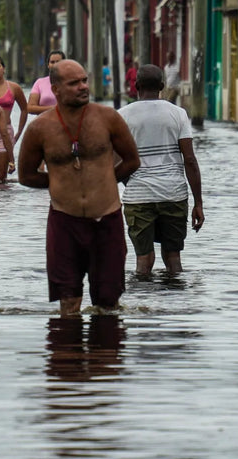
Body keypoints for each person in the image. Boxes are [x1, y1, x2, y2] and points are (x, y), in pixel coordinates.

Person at [17, 60, 140, 317]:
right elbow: (26, 176)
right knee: (69, 303)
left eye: (85, 80)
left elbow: (132, 160)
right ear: (56, 89)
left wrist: (106, 179)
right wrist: (59, 183)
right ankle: (68, 354)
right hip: (64, 222)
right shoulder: (40, 128)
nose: (83, 87)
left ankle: (103, 353)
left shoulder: (108, 118)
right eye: (74, 83)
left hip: (107, 219)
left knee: (108, 304)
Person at [119, 64, 204, 277]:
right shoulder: (178, 114)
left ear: (136, 86)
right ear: (162, 86)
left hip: (138, 197)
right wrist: (198, 203)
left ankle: (144, 305)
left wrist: (128, 184)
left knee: (143, 260)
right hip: (173, 194)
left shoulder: (122, 116)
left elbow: (114, 162)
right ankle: (174, 305)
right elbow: (190, 161)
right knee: (173, 257)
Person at [0, 54, 28, 184]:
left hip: (5, 135)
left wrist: (19, 132)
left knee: (0, 178)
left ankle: (3, 203)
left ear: (4, 69)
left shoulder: (14, 88)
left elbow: (24, 109)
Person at [27, 50, 64, 117]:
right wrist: (54, 109)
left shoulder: (70, 82)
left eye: (58, 62)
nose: (55, 64)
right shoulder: (39, 83)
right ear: (48, 65)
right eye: (52, 62)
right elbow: (30, 108)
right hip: (43, 124)